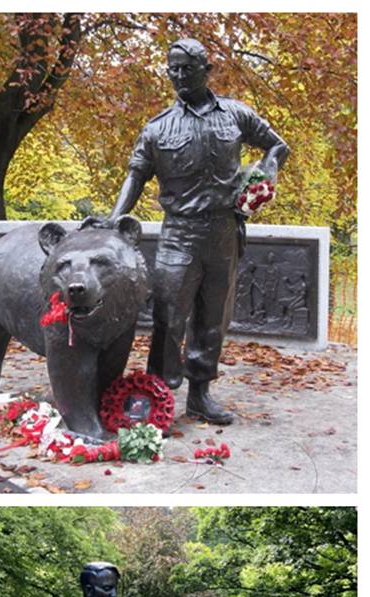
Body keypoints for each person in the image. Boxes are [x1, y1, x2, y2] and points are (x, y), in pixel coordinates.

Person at [108, 38, 289, 424]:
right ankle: (157, 395)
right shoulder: (158, 128)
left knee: (212, 319)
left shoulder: (237, 115)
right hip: (179, 233)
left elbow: (277, 146)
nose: (178, 76)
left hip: (223, 232)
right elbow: (136, 175)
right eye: (172, 69)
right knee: (169, 317)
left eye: (186, 69)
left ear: (206, 71)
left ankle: (200, 394)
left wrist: (263, 178)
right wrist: (113, 219)